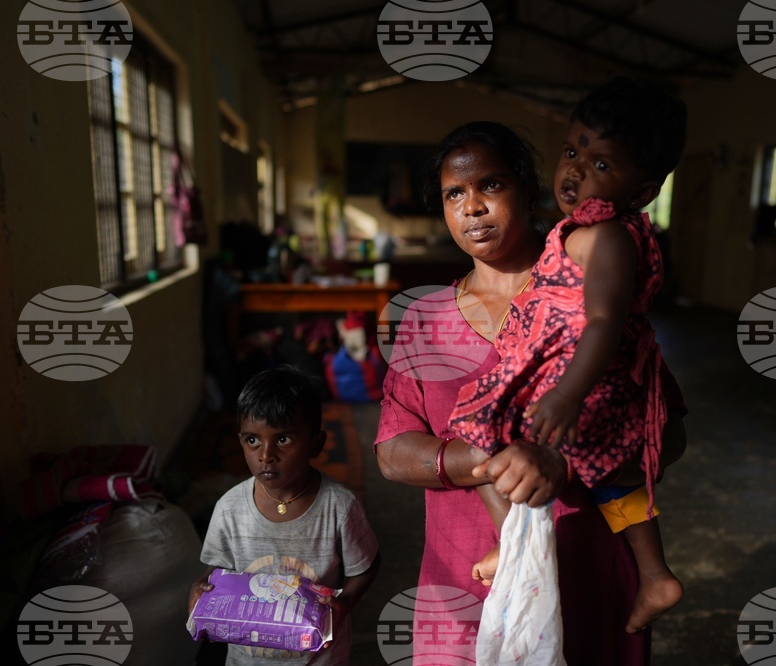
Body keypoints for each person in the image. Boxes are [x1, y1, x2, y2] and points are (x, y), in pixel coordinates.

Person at [375, 119, 686, 664]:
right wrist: (485, 460)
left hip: (589, 579)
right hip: (462, 589)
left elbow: (669, 432)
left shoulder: (587, 288)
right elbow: (393, 451)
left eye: (491, 185)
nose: (472, 207)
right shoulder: (423, 320)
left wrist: (560, 463)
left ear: (525, 187)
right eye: (454, 194)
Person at [449, 76, 688, 634]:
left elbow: (604, 321)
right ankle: (655, 575)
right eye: (573, 150)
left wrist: (567, 395)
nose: (576, 171)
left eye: (602, 164)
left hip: (584, 382)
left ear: (643, 190)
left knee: (475, 427)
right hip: (581, 381)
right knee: (612, 476)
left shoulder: (607, 237)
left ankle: (514, 546)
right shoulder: (583, 229)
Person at [189, 365, 381, 665]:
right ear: (240, 441)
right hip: (247, 658)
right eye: (252, 440)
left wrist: (343, 604)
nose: (266, 455)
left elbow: (366, 566)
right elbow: (216, 567)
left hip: (318, 656)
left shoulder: (339, 507)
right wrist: (201, 585)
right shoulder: (229, 507)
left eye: (283, 439)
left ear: (315, 444)